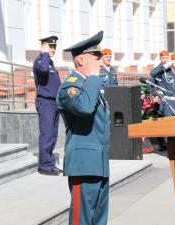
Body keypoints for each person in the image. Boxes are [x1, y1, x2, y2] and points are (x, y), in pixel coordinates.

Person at [56, 31, 110, 225]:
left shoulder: (89, 85)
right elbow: (85, 108)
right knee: (82, 219)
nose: (100, 61)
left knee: (99, 219)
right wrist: (94, 78)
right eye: (95, 57)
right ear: (80, 60)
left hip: (99, 162)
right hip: (84, 163)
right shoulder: (70, 87)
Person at [33, 35, 62, 176]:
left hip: (54, 102)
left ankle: (49, 163)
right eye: (50, 46)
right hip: (45, 102)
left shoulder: (49, 62)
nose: (53, 49)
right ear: (43, 46)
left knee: (53, 135)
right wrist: (44, 53)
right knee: (47, 134)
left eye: (54, 47)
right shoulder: (41, 61)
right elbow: (43, 71)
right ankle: (45, 166)